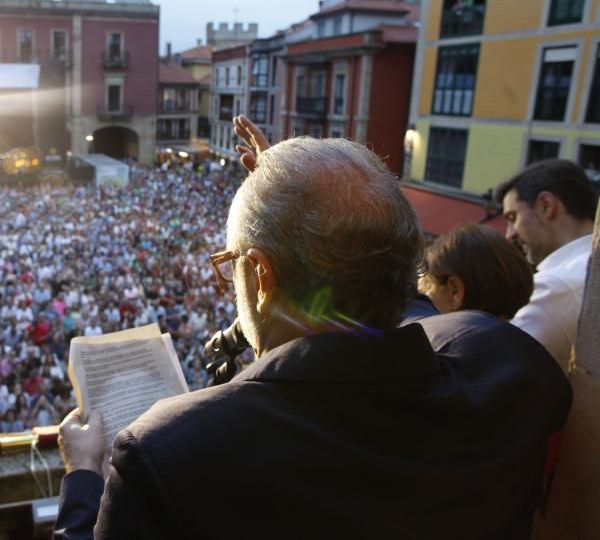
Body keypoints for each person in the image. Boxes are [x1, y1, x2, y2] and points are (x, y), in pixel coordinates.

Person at [54, 131, 571, 539]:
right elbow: (405, 307)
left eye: (229, 266)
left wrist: (82, 478)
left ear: (259, 277)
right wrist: (301, 202)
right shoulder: (504, 366)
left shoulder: (168, 452)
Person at [495, 159, 597, 367]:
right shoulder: (582, 271)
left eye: (513, 217)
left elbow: (491, 366)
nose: (510, 234)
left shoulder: (556, 285)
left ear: (546, 205)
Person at [417, 223, 534, 320]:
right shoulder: (522, 343)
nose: (421, 303)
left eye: (425, 290)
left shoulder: (443, 345)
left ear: (455, 291)